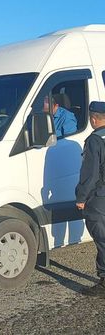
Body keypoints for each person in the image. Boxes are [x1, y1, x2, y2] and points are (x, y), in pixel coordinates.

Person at [76, 101, 105, 296]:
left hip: (99, 197)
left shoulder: (95, 140)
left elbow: (91, 174)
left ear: (93, 118)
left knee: (102, 239)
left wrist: (81, 197)